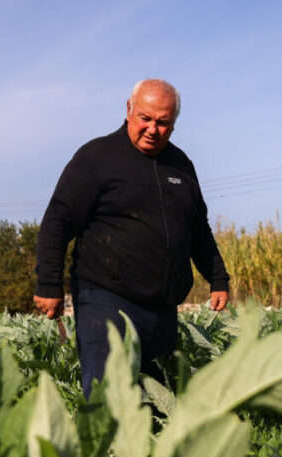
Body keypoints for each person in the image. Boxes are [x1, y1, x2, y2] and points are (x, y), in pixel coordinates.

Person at [34, 78, 230, 397]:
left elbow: (197, 227)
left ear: (174, 124)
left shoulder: (181, 166)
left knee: (157, 401)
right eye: (146, 118)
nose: (153, 129)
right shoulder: (96, 158)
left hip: (162, 307)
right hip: (105, 298)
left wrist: (218, 277)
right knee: (109, 396)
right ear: (129, 110)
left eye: (163, 122)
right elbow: (58, 220)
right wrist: (48, 283)